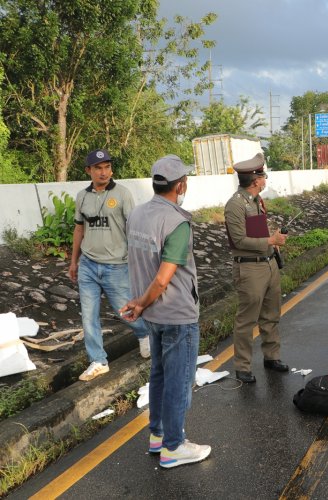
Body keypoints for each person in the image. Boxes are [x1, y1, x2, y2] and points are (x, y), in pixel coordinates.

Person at [120, 154, 210, 468]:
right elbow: (163, 277)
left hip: (153, 317)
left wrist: (139, 304)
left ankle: (157, 435)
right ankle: (174, 446)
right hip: (176, 315)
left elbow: (135, 261)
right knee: (179, 381)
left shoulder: (137, 215)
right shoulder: (177, 222)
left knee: (158, 374)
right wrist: (143, 301)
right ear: (180, 185)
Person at [69, 148, 150, 382]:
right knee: (88, 316)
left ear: (111, 169)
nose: (103, 172)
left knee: (124, 311)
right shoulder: (82, 197)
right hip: (88, 265)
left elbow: (134, 229)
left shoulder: (123, 194)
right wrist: (74, 261)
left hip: (116, 265)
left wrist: (138, 260)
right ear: (89, 171)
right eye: (98, 168)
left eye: (107, 167)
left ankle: (145, 335)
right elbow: (79, 229)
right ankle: (98, 360)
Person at [224, 152, 289, 384]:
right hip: (250, 269)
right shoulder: (235, 205)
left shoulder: (257, 201)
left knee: (271, 315)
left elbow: (258, 232)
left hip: (268, 264)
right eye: (263, 176)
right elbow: (239, 240)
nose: (265, 180)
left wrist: (273, 242)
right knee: (247, 320)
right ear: (255, 180)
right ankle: (242, 366)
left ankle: (271, 357)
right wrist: (270, 241)